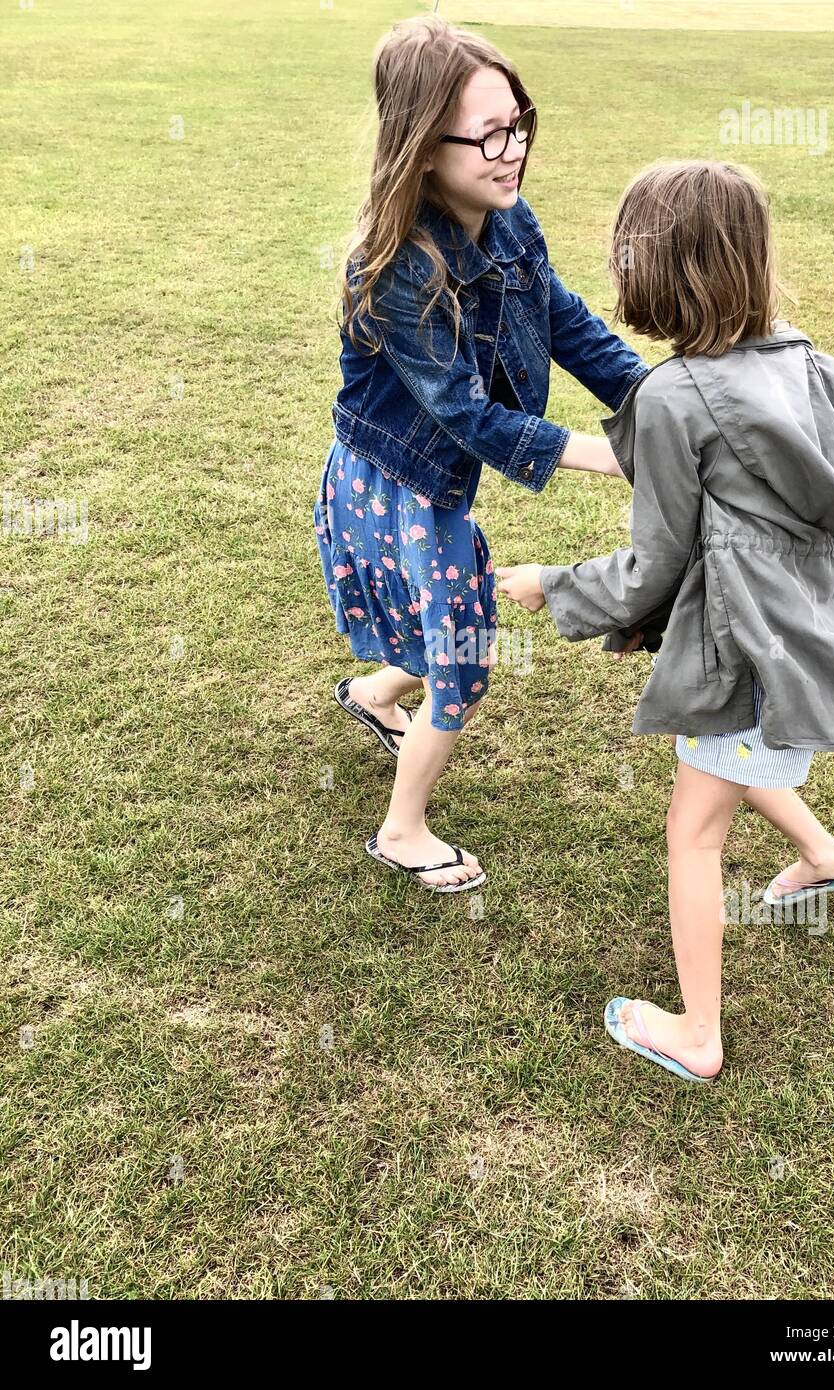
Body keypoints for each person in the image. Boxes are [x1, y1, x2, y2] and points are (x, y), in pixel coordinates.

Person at [498, 159, 834, 1080]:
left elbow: (655, 565)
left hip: (752, 651)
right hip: (820, 629)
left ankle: (697, 1034)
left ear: (655, 270)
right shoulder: (814, 366)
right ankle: (826, 857)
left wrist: (554, 587)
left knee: (693, 828)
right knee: (735, 756)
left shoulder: (675, 397)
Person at [315, 14, 648, 891]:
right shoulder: (397, 270)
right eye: (489, 133)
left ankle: (377, 694)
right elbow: (465, 413)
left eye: (520, 123)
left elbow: (566, 319)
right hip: (394, 480)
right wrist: (612, 456)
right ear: (423, 146)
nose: (513, 150)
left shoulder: (508, 217)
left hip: (429, 480)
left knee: (442, 622)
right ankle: (401, 829)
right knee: (463, 654)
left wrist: (654, 403)